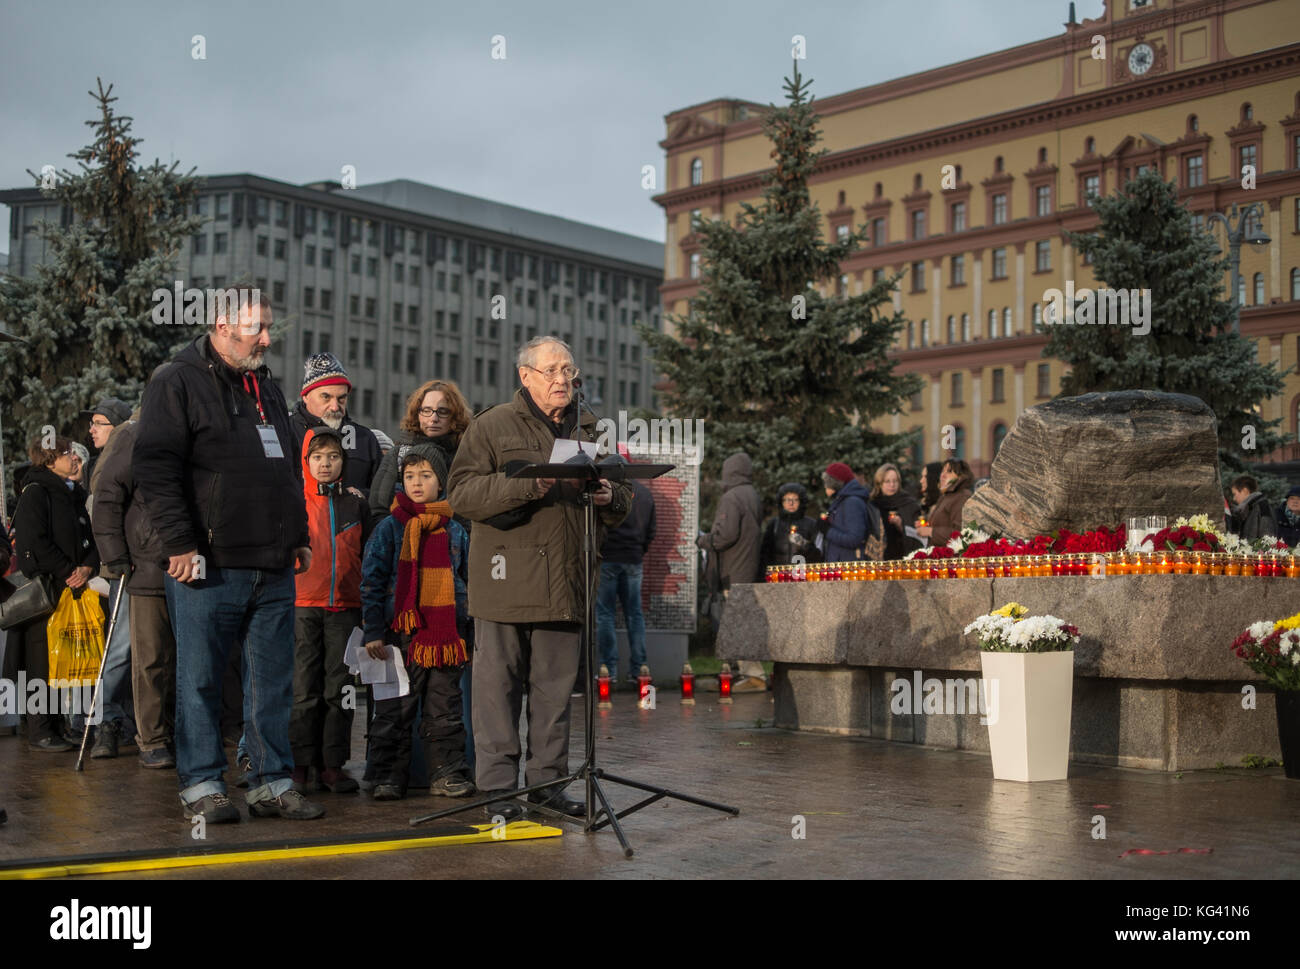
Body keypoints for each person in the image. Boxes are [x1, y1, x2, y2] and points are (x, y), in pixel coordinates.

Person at [133, 292, 325, 823]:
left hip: (273, 563)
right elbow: (155, 468)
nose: (267, 339)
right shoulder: (176, 380)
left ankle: (270, 781)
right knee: (200, 678)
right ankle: (202, 784)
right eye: (257, 329)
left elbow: (287, 466)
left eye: (267, 328)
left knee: (272, 679)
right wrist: (180, 544)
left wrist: (298, 534)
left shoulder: (264, 384)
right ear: (221, 325)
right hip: (208, 564)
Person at [447, 336, 631, 820]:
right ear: (525, 376)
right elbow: (462, 493)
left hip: (567, 583)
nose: (562, 380)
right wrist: (529, 483)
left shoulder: (591, 427)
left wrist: (612, 497)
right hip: (505, 583)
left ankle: (548, 786)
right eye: (550, 371)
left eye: (568, 370)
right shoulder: (491, 426)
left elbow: (626, 494)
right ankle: (499, 791)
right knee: (497, 692)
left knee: (554, 695)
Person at [362, 444, 472, 800]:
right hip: (400, 635)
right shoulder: (389, 528)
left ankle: (447, 773)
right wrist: (374, 631)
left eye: (426, 476)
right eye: (409, 476)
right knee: (395, 708)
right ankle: (388, 777)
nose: (416, 483)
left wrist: (466, 628)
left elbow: (468, 582)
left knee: (445, 708)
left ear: (442, 482)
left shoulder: (456, 530)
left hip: (444, 637)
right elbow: (372, 581)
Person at [91, 389, 176, 768]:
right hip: (131, 566)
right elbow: (103, 497)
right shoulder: (133, 433)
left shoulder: (187, 431)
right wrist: (117, 556)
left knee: (157, 653)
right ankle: (106, 723)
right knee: (125, 649)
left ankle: (154, 726)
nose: (92, 430)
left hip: (165, 563)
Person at [290, 427, 372, 794]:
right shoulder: (293, 501)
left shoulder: (356, 503)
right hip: (302, 607)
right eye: (318, 457)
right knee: (303, 688)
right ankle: (299, 764)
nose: (325, 464)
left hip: (346, 607)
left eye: (333, 457)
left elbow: (368, 555)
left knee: (340, 689)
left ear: (344, 462)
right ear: (306, 461)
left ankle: (332, 764)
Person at [10, 433, 99, 751]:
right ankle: (40, 729)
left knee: (61, 660)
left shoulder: (72, 493)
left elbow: (89, 536)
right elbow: (34, 544)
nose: (74, 458)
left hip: (72, 589)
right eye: (66, 453)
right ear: (49, 459)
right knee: (39, 660)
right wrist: (68, 570)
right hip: (47, 592)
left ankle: (59, 725)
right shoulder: (36, 493)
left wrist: (88, 566)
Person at [697, 452, 764, 691]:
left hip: (732, 570)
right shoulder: (752, 494)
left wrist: (703, 540)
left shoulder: (732, 497)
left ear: (729, 472)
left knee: (737, 624)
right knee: (741, 621)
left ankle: (752, 675)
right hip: (746, 567)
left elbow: (725, 536)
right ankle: (738, 673)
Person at [369, 379, 471, 521]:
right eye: (426, 410)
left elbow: (471, 513)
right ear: (417, 413)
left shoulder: (466, 456)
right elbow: (378, 509)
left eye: (443, 411)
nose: (434, 418)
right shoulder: (398, 456)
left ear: (454, 416)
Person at [290, 352, 382, 497]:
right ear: (306, 396)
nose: (334, 406)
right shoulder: (285, 432)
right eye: (326, 397)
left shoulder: (364, 439)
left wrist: (361, 497)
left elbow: (382, 495)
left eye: (341, 398)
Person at [596, 475, 656, 684]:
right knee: (635, 615)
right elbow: (651, 530)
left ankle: (608, 670)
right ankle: (639, 669)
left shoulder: (603, 490)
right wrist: (639, 551)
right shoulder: (645, 494)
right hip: (633, 559)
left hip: (608, 559)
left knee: (605, 615)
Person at [819, 462, 883, 563]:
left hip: (849, 565)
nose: (825, 487)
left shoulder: (852, 502)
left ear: (834, 483)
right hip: (842, 562)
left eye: (827, 483)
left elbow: (854, 539)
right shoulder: (842, 500)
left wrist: (828, 531)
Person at [759, 482, 821, 568]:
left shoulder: (811, 524)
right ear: (781, 502)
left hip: (803, 576)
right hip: (777, 577)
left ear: (801, 502)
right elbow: (764, 556)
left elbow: (819, 555)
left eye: (795, 499)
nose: (791, 503)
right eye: (787, 499)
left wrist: (804, 544)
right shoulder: (774, 524)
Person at [917, 459, 974, 546]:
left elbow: (962, 533)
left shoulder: (962, 497)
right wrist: (926, 526)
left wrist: (931, 531)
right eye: (942, 471)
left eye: (949, 471)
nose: (943, 475)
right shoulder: (947, 495)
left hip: (952, 557)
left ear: (961, 476)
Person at [870, 463, 921, 561]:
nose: (892, 485)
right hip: (878, 559)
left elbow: (918, 536)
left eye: (895, 481)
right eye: (887, 481)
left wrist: (901, 525)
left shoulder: (909, 504)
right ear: (879, 484)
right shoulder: (873, 505)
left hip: (903, 558)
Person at [1228, 474, 1278, 541]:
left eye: (1235, 494)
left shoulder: (1262, 507)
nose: (1234, 499)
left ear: (1245, 491)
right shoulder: (1248, 508)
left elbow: (1267, 538)